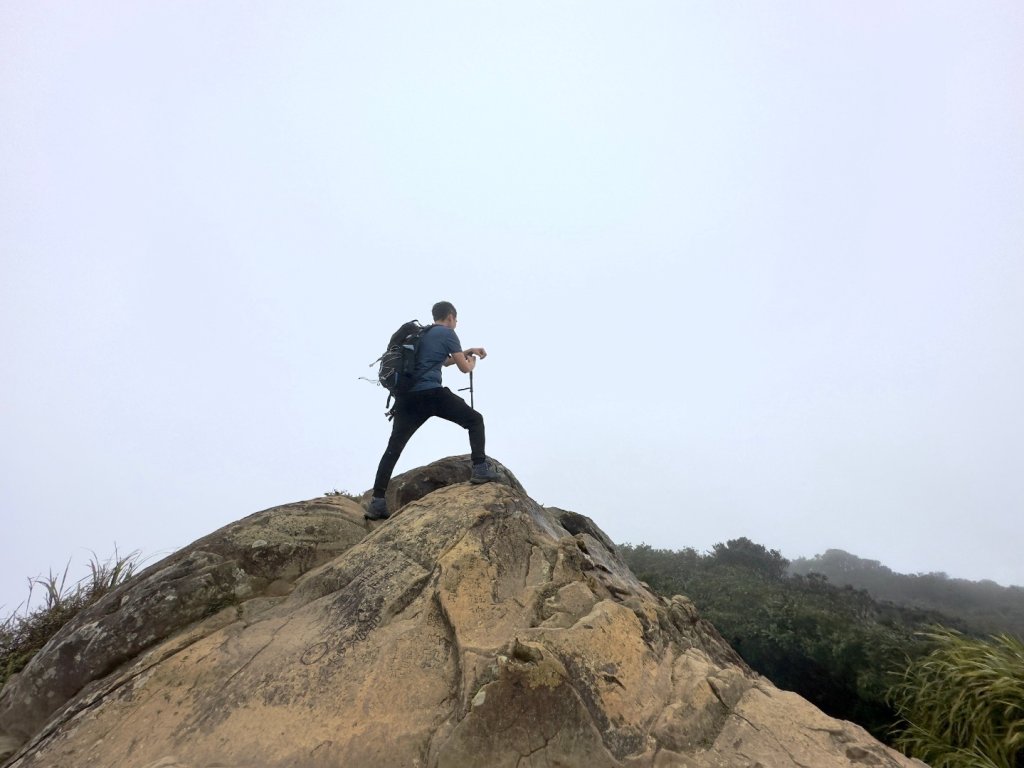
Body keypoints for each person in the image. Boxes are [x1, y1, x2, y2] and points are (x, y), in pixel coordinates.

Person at [366, 301, 498, 520]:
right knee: (475, 421)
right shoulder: (447, 334)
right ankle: (480, 469)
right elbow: (464, 368)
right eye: (455, 320)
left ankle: (377, 502)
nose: (455, 324)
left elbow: (444, 362)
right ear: (450, 317)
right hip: (432, 396)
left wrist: (467, 350)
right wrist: (472, 362)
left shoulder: (422, 334)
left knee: (393, 449)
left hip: (407, 400)